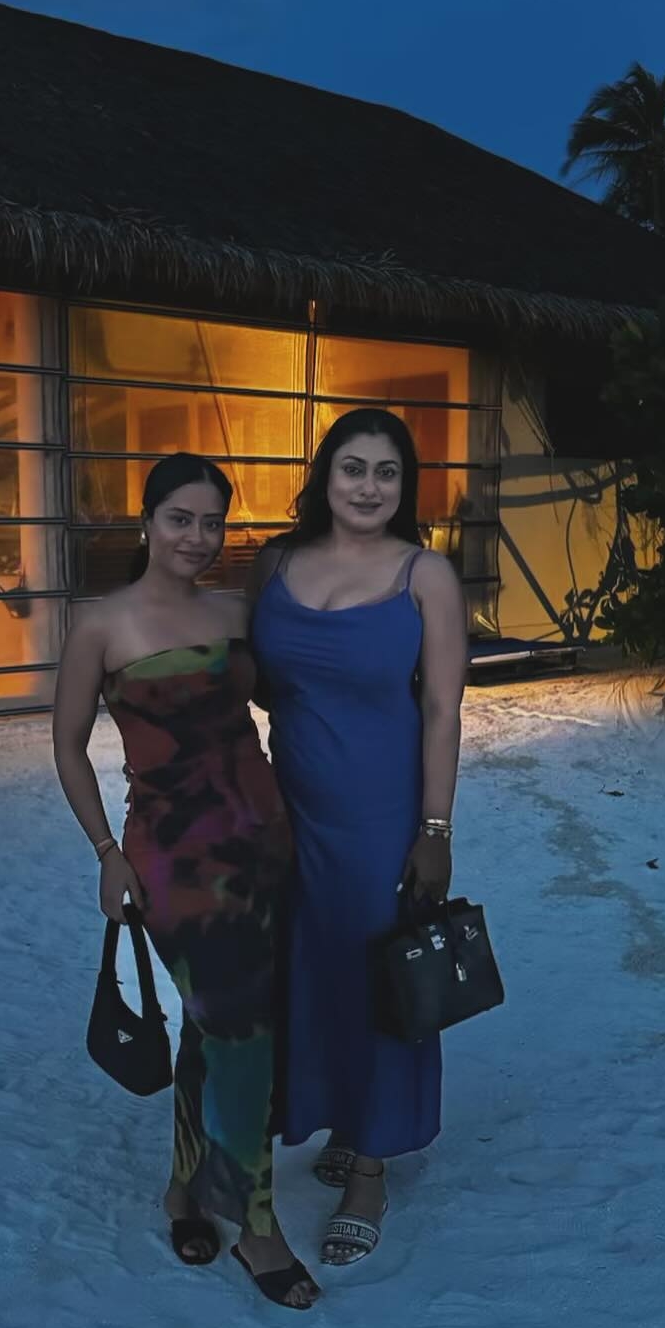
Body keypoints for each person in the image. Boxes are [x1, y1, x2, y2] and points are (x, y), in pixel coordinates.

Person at [52, 453, 320, 1311]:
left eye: (212, 523)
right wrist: (106, 852)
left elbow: (287, 701)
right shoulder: (102, 624)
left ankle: (184, 1190)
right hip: (174, 857)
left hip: (264, 840)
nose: (197, 538)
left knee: (214, 1027)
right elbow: (66, 747)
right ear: (146, 522)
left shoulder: (236, 611)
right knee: (243, 1034)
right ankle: (258, 1226)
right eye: (180, 519)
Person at [249, 408, 467, 1265]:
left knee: (381, 977)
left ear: (405, 485)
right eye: (353, 468)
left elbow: (443, 710)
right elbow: (255, 679)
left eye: (386, 472)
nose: (368, 487)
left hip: (382, 814)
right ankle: (341, 1116)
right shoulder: (274, 564)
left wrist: (435, 828)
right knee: (309, 970)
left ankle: (370, 1167)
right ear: (324, 475)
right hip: (289, 807)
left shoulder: (425, 575)